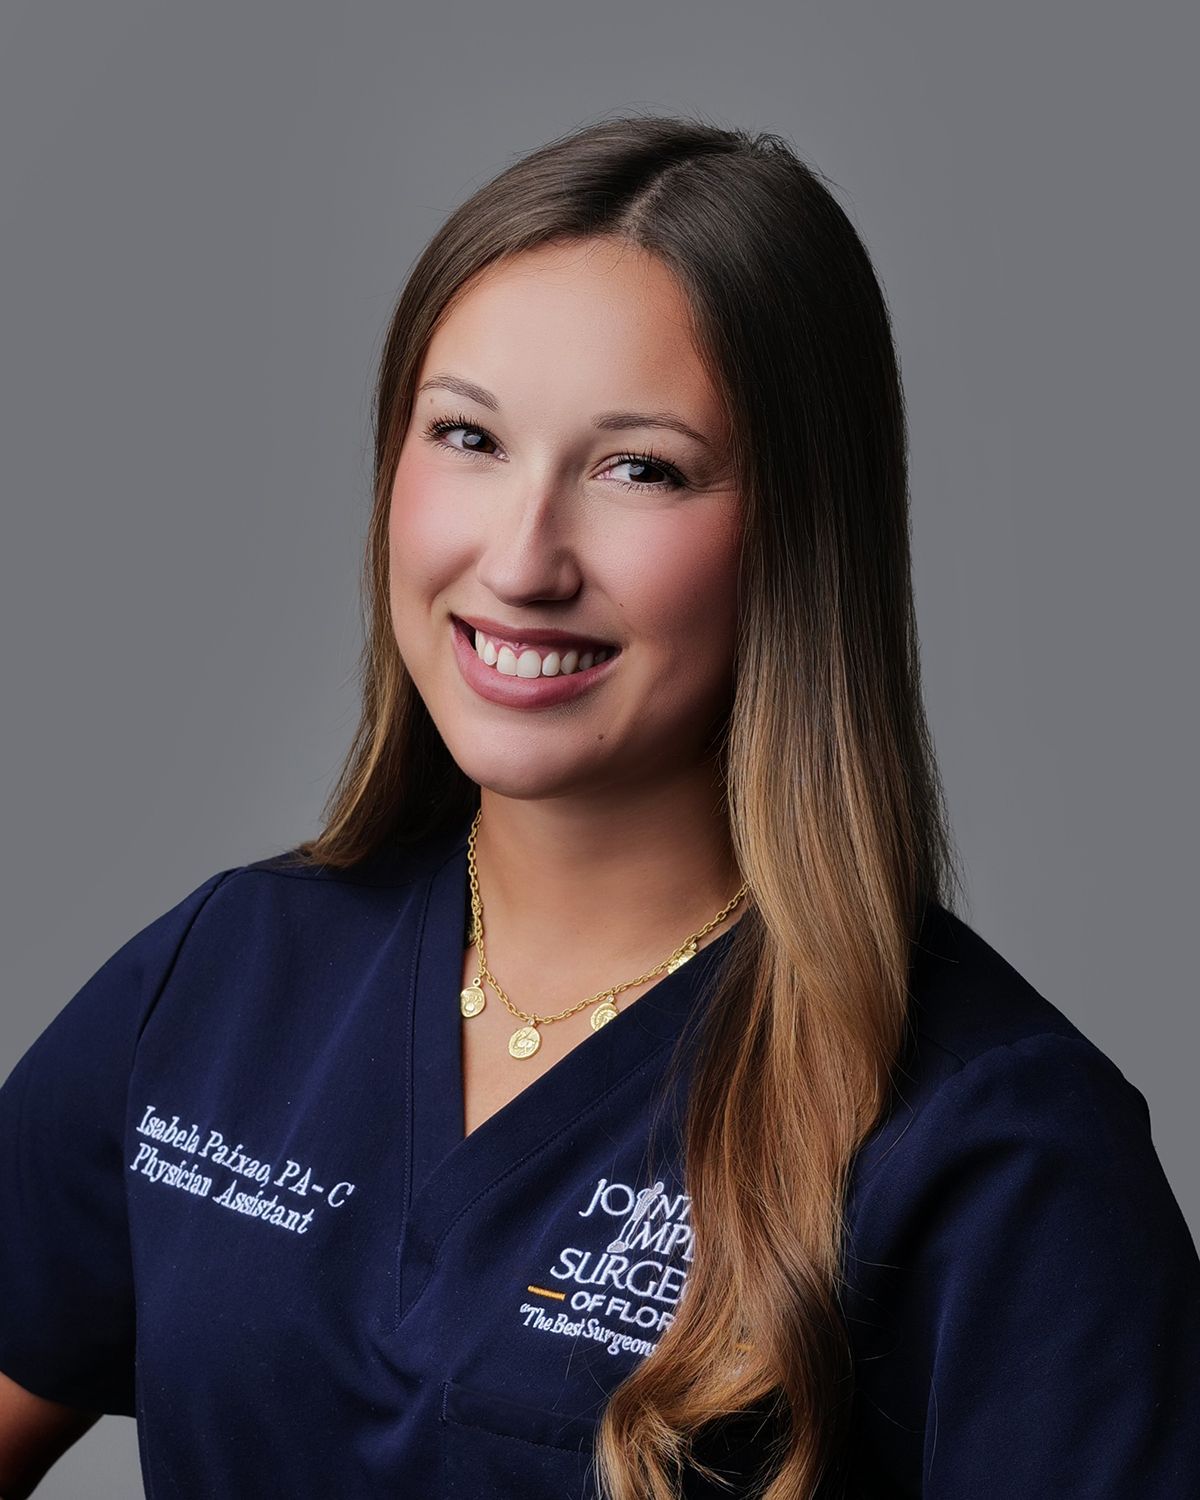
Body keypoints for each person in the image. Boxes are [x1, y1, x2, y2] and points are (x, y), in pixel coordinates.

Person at [0, 113, 1197, 1500]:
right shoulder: (224, 981)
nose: (520, 559)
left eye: (641, 468)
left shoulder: (992, 1145)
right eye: (467, 436)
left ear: (800, 538)